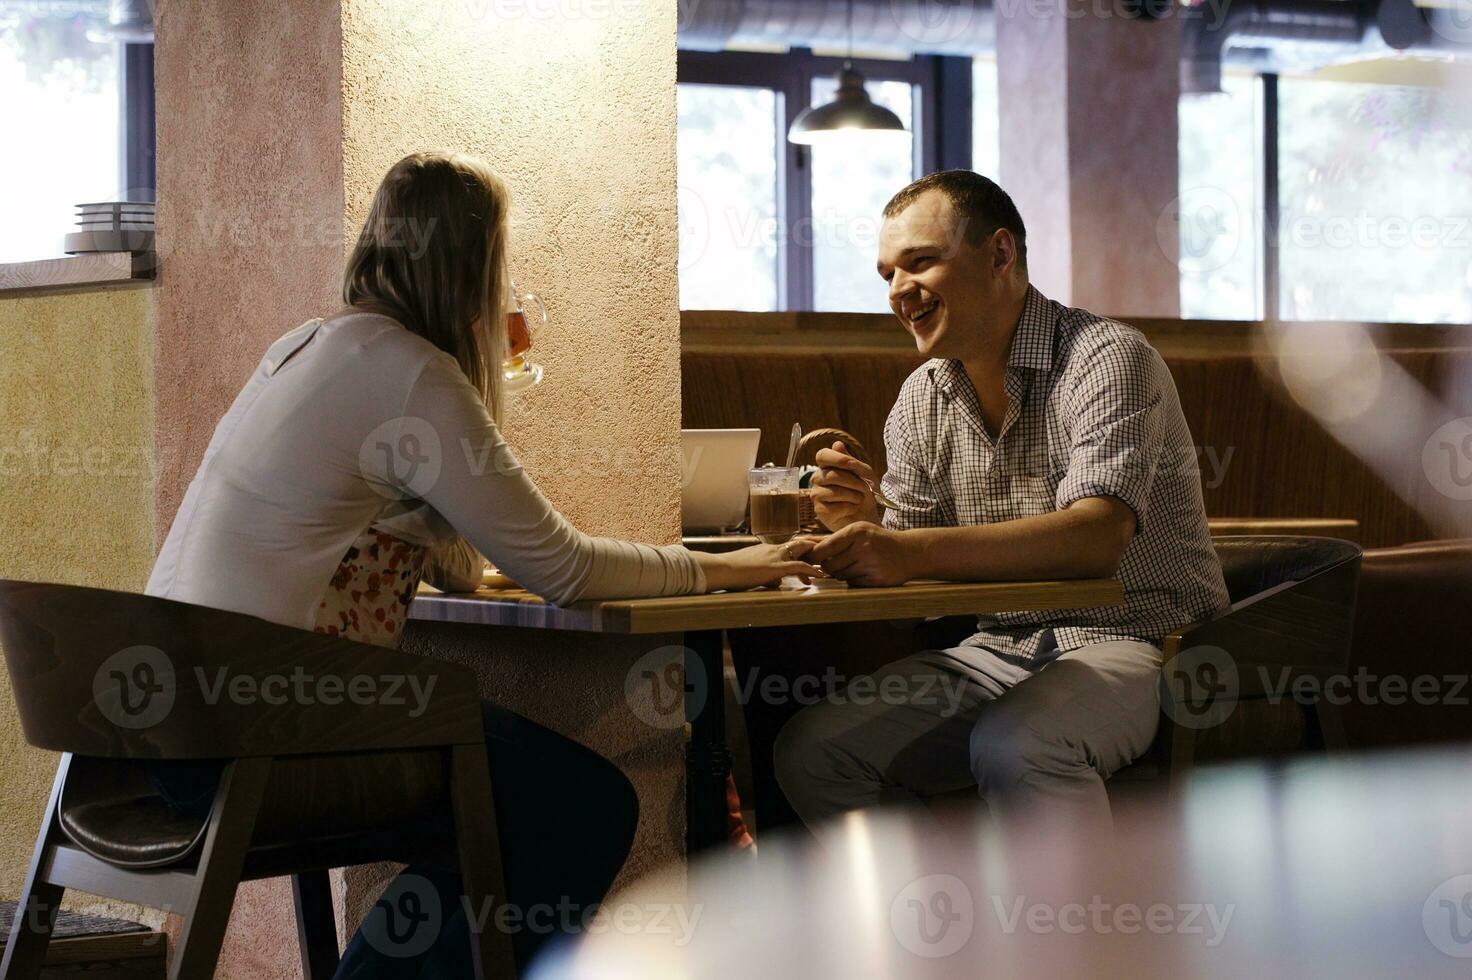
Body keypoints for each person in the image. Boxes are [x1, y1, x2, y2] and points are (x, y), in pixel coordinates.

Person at [143, 150, 818, 976]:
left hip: (163, 728)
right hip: (258, 738)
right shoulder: (408, 373)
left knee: (502, 818)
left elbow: (436, 557)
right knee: (583, 807)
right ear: (472, 265)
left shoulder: (308, 346)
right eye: (501, 266)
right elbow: (564, 570)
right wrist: (733, 564)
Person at [778, 170, 1229, 836]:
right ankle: (939, 924)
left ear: (1000, 254)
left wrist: (900, 551)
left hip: (1145, 642)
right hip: (996, 648)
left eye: (921, 262)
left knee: (1019, 743)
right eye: (887, 275)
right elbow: (919, 581)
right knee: (814, 753)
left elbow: (1096, 538)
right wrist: (864, 530)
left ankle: (1090, 940)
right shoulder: (921, 399)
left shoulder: (1108, 359)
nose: (900, 291)